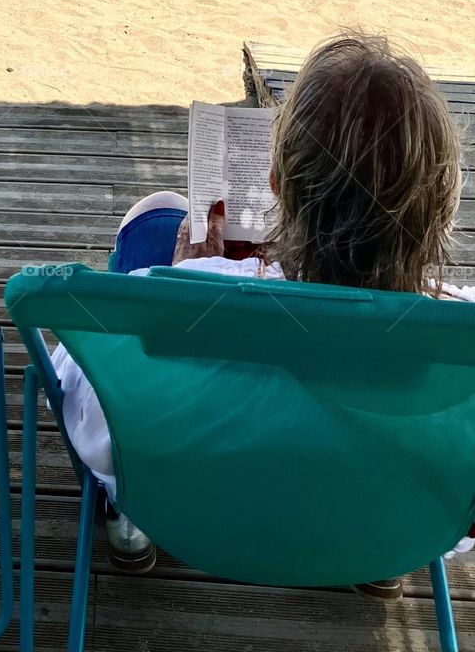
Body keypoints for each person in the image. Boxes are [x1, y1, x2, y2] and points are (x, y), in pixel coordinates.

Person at [51, 35, 470, 584]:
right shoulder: (459, 334)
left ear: (277, 188)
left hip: (198, 518)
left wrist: (182, 281)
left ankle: (130, 524)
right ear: (441, 209)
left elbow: (78, 398)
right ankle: (379, 564)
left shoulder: (179, 295)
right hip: (389, 531)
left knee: (156, 217)